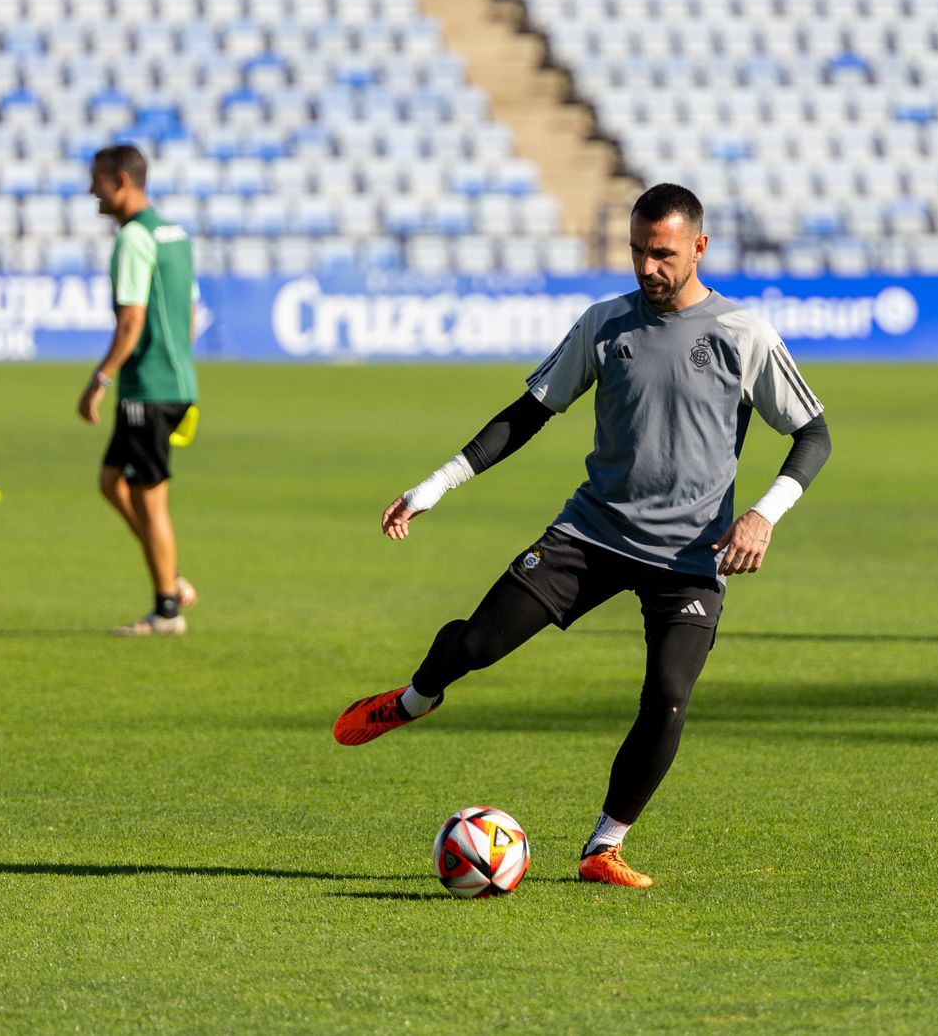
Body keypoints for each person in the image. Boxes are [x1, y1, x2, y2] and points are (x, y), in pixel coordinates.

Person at [333, 184, 831, 887]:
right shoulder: (604, 324)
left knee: (668, 696)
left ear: (699, 248)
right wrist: (435, 485)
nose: (648, 267)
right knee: (477, 644)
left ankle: (604, 846)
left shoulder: (743, 334)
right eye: (637, 251)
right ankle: (414, 698)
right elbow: (528, 413)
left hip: (690, 557)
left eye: (662, 253)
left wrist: (763, 514)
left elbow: (812, 432)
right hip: (591, 534)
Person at [77, 144, 200, 636]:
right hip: (173, 383)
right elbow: (189, 312)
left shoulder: (133, 238)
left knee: (151, 500)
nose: (92, 191)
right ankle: (168, 574)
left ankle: (167, 609)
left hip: (147, 391)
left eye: (97, 181)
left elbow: (131, 320)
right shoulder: (176, 235)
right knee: (112, 481)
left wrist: (100, 377)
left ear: (120, 181)